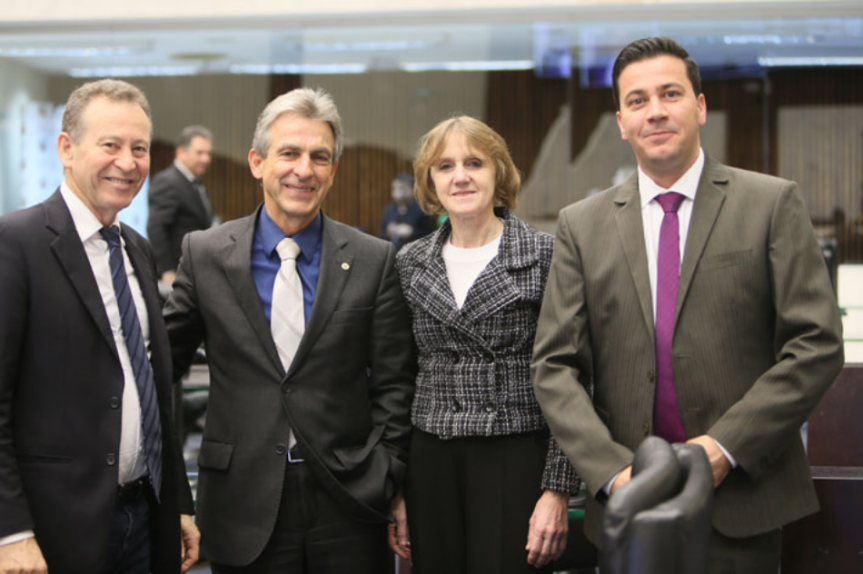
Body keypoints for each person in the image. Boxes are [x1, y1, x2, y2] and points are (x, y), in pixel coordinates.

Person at [531, 37, 844, 573]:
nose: (655, 111)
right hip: (630, 505)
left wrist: (724, 448)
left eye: (670, 93)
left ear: (699, 107)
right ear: (620, 122)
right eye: (637, 100)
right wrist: (612, 471)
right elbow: (553, 366)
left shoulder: (770, 204)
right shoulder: (582, 225)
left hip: (744, 500)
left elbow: (815, 344)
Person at [162, 87, 415, 574]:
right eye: (289, 153)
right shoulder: (206, 254)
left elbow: (395, 383)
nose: (305, 169)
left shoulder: (372, 259)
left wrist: (386, 476)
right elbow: (159, 372)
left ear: (333, 170)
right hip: (240, 504)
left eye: (320, 156)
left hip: (349, 505)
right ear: (257, 162)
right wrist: (174, 493)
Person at [0, 79, 199, 574]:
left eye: (139, 148)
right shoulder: (15, 244)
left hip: (143, 518)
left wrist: (177, 501)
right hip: (52, 531)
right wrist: (10, 531)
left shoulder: (136, 248)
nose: (128, 163)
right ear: (66, 149)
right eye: (110, 145)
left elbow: (153, 390)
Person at [392, 116, 579, 574]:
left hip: (514, 457)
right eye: (444, 166)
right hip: (430, 460)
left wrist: (557, 490)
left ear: (498, 172)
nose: (460, 176)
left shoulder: (544, 254)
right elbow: (396, 378)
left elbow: (575, 376)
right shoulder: (409, 262)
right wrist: (394, 489)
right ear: (430, 181)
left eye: (474, 163)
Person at [147, 125, 216, 284]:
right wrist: (167, 271)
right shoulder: (167, 181)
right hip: (176, 276)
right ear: (180, 152)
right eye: (200, 153)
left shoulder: (195, 183)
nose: (206, 159)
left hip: (195, 272)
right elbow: (156, 228)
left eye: (208, 153)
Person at [379, 173, 435, 250]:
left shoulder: (422, 210)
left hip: (414, 252)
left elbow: (430, 236)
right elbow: (382, 234)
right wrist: (389, 231)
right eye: (394, 188)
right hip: (392, 252)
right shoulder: (389, 209)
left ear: (411, 189)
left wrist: (411, 232)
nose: (397, 192)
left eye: (402, 188)